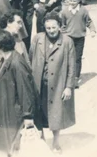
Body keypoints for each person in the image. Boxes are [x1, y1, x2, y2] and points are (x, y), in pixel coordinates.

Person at [30, 12, 76, 153]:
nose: (51, 30)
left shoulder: (67, 41)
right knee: (38, 113)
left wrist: (68, 87)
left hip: (57, 84)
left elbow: (72, 67)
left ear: (59, 26)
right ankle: (42, 140)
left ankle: (56, 142)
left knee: (56, 113)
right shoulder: (37, 39)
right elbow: (31, 59)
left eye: (53, 27)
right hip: (39, 83)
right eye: (48, 28)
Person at [0, 30, 36, 156]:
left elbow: (25, 89)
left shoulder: (16, 62)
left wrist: (28, 116)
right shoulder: (5, 60)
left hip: (14, 112)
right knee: (8, 145)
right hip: (6, 109)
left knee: (14, 146)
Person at [60, 0, 96, 87]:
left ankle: (75, 78)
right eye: (70, 0)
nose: (72, 2)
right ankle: (68, 78)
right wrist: (63, 35)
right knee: (67, 57)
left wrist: (92, 30)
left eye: (74, 1)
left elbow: (89, 22)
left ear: (79, 0)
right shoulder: (64, 12)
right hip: (68, 38)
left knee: (77, 58)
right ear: (67, 0)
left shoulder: (83, 11)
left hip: (80, 38)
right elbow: (62, 25)